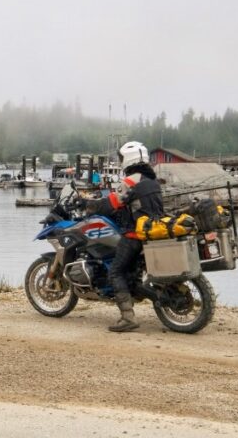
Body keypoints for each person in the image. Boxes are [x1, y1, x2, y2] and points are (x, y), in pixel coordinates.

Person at [84, 141, 164, 332]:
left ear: (128, 159)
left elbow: (112, 203)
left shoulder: (131, 181)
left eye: (121, 158)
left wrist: (89, 205)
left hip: (134, 234)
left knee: (115, 271)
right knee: (133, 279)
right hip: (152, 230)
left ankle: (128, 317)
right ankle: (158, 298)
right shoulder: (151, 180)